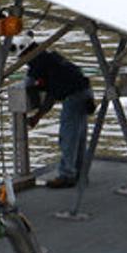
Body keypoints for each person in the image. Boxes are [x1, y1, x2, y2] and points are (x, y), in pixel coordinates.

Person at [25, 46, 94, 188]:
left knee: (68, 137)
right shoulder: (51, 57)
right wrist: (38, 117)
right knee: (78, 137)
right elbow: (52, 93)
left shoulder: (38, 64)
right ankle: (80, 174)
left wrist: (36, 114)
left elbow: (38, 89)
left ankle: (67, 175)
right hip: (84, 92)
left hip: (73, 97)